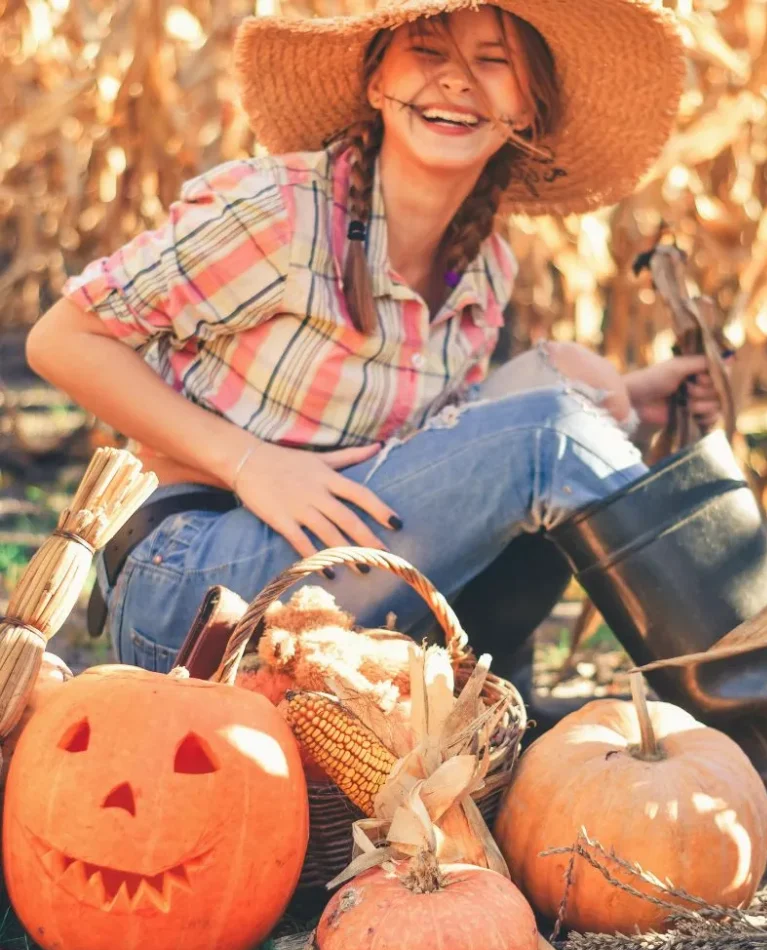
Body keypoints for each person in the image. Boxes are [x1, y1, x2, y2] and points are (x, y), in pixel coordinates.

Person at [26, 0, 725, 673]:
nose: (455, 79)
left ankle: (489, 704)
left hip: (333, 583)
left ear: (528, 107)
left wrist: (627, 397)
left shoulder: (484, 267)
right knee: (551, 434)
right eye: (428, 52)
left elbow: (440, 449)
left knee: (580, 382)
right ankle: (741, 685)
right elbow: (62, 339)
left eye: (493, 60)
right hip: (191, 594)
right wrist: (249, 464)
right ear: (376, 81)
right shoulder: (280, 212)